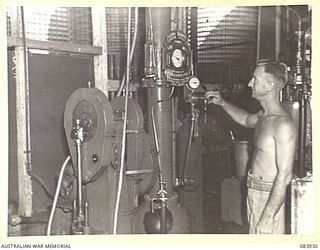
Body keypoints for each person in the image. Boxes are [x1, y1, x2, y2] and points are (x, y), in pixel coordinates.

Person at [205, 61, 297, 234]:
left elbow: (285, 176)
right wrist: (222, 103)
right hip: (255, 190)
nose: (249, 84)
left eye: (254, 79)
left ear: (269, 85)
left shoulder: (282, 125)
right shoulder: (264, 116)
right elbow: (246, 120)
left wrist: (268, 216)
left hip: (270, 195)